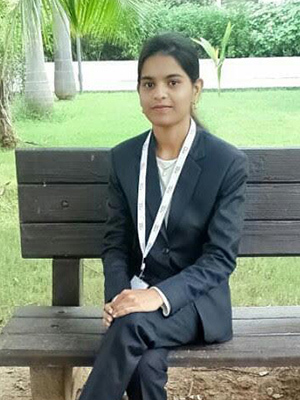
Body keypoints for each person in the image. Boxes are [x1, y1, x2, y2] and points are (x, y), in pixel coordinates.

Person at [79, 32, 249, 400]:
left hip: (197, 303)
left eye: (173, 82)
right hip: (136, 302)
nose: (160, 93)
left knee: (131, 329)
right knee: (143, 362)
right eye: (148, 84)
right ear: (139, 93)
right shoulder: (125, 158)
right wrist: (119, 298)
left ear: (195, 89)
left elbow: (220, 259)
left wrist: (156, 296)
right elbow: (115, 245)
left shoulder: (226, 163)